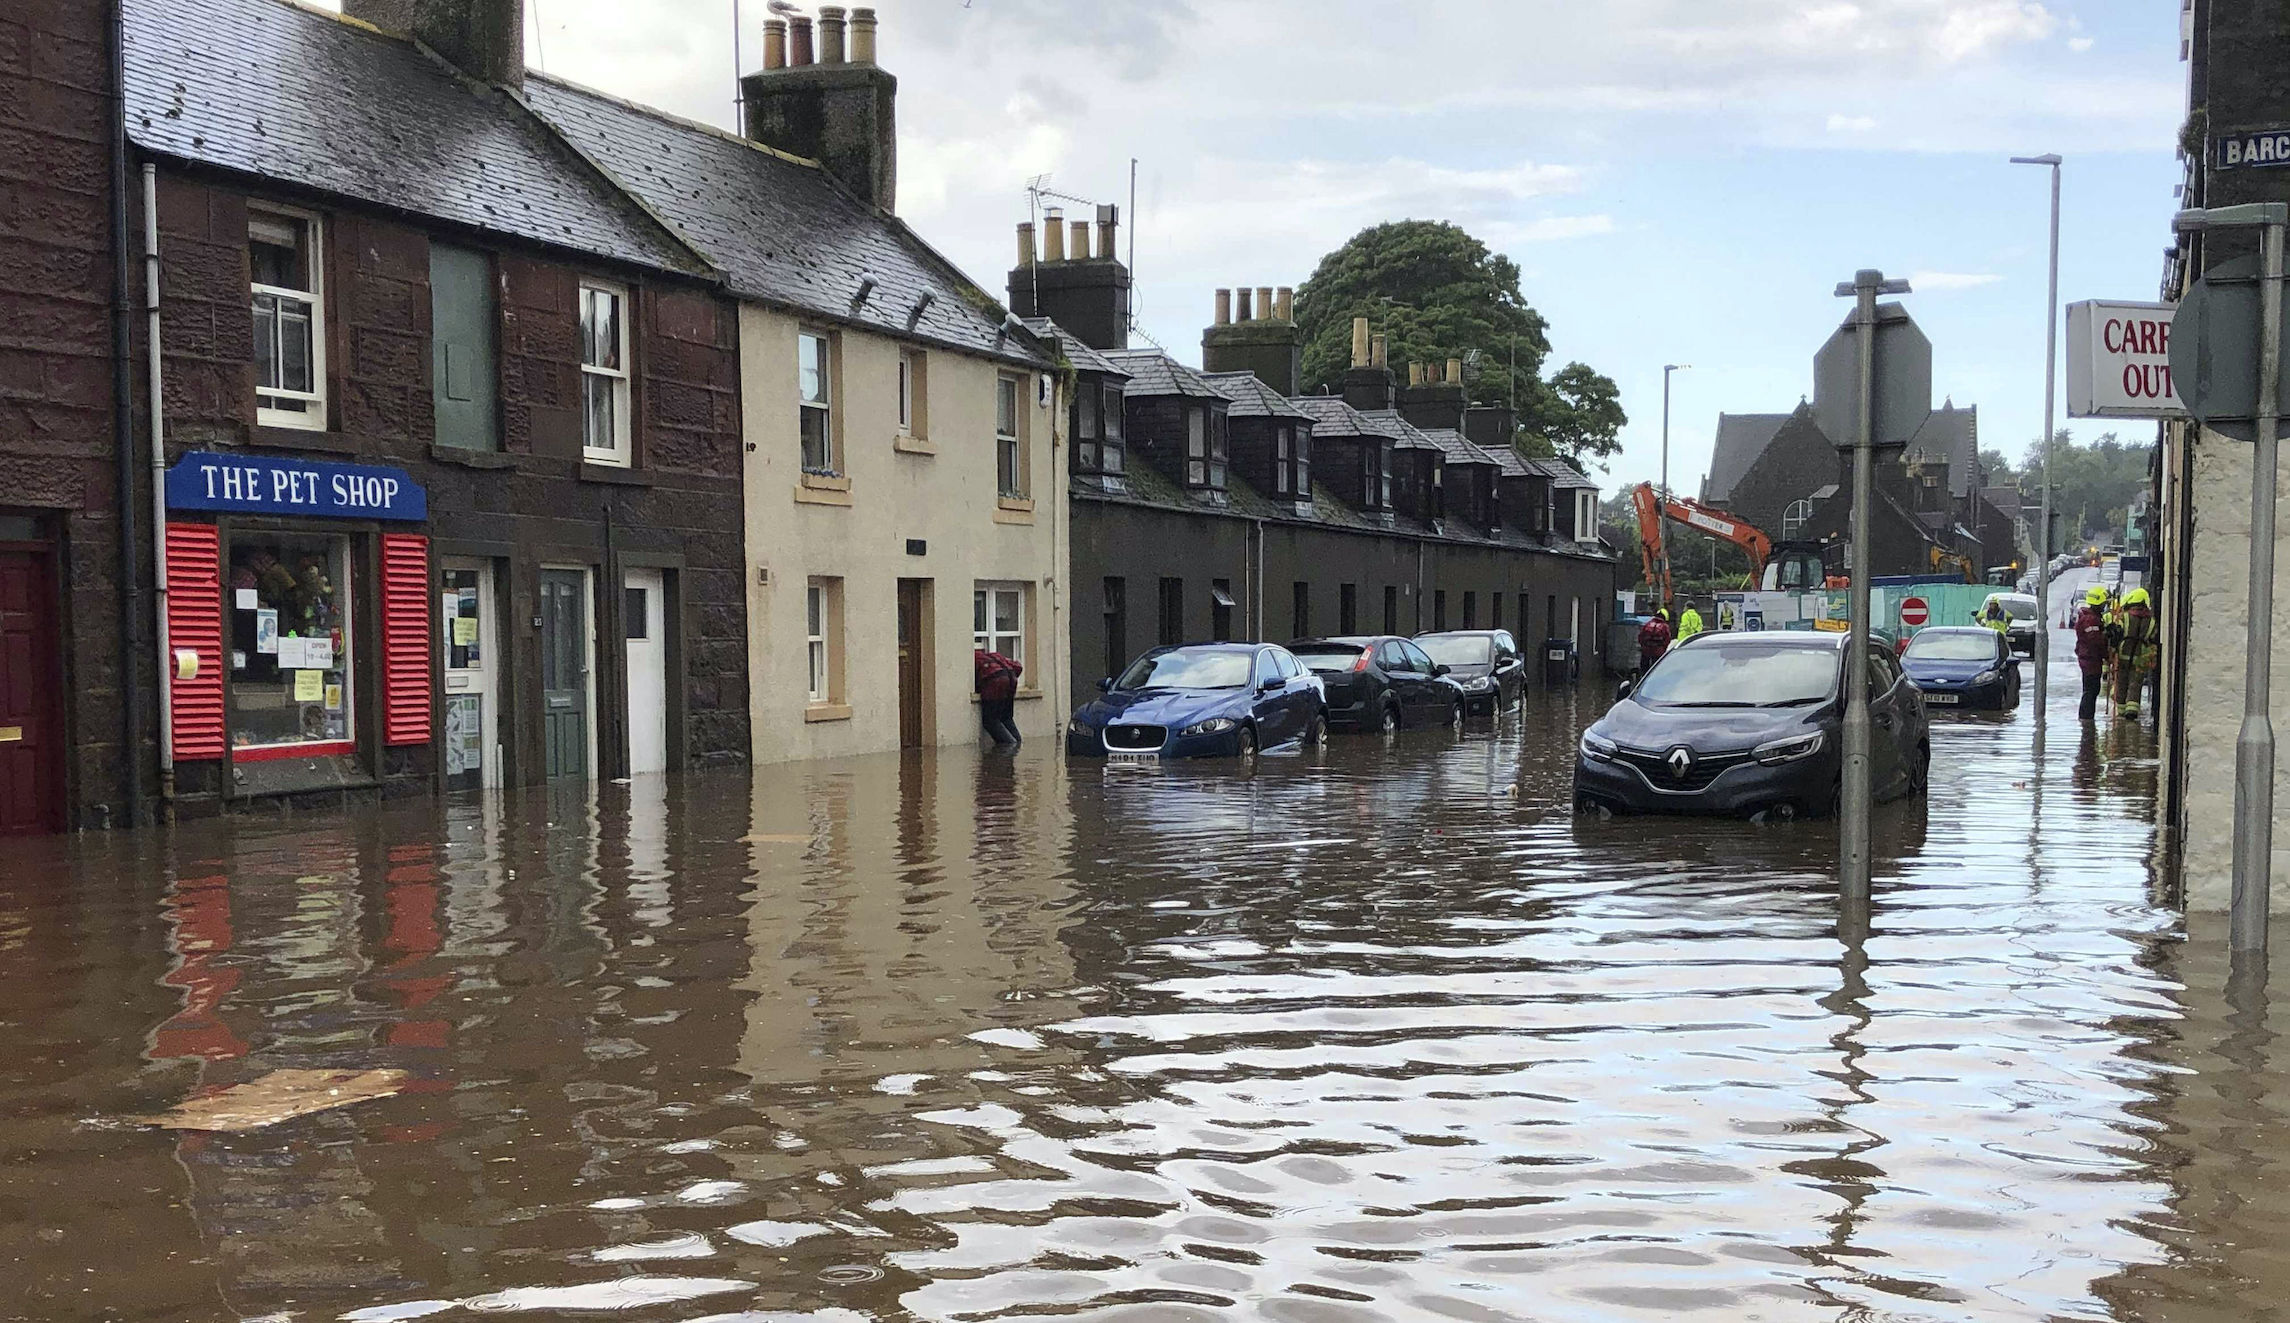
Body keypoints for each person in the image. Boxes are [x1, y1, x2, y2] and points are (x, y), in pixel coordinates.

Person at [2114, 586, 2157, 718]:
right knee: (2135, 683)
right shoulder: (2151, 620)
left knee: (2121, 682)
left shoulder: (2124, 617)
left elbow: (2116, 634)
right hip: (2141, 656)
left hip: (2123, 654)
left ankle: (2120, 710)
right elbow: (2153, 638)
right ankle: (2132, 710)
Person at [973, 647, 1023, 747]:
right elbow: (1018, 668)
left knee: (990, 721)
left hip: (995, 681)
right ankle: (1017, 743)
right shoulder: (993, 656)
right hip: (1011, 678)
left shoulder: (973, 659)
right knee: (1006, 717)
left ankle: (1009, 746)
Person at [2073, 584, 2109, 721]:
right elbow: (2095, 640)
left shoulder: (2090, 617)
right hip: (2090, 659)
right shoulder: (2090, 619)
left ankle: (2087, 719)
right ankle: (2086, 719)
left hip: (2089, 658)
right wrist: (2106, 642)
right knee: (2091, 691)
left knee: (2091, 690)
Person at [1636, 607, 1673, 677]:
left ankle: (1643, 679)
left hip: (1646, 649)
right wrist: (1663, 649)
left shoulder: (1647, 624)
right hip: (1658, 651)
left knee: (1644, 668)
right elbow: (1667, 639)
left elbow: (1640, 636)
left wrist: (1643, 646)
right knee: (1656, 668)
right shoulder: (1665, 626)